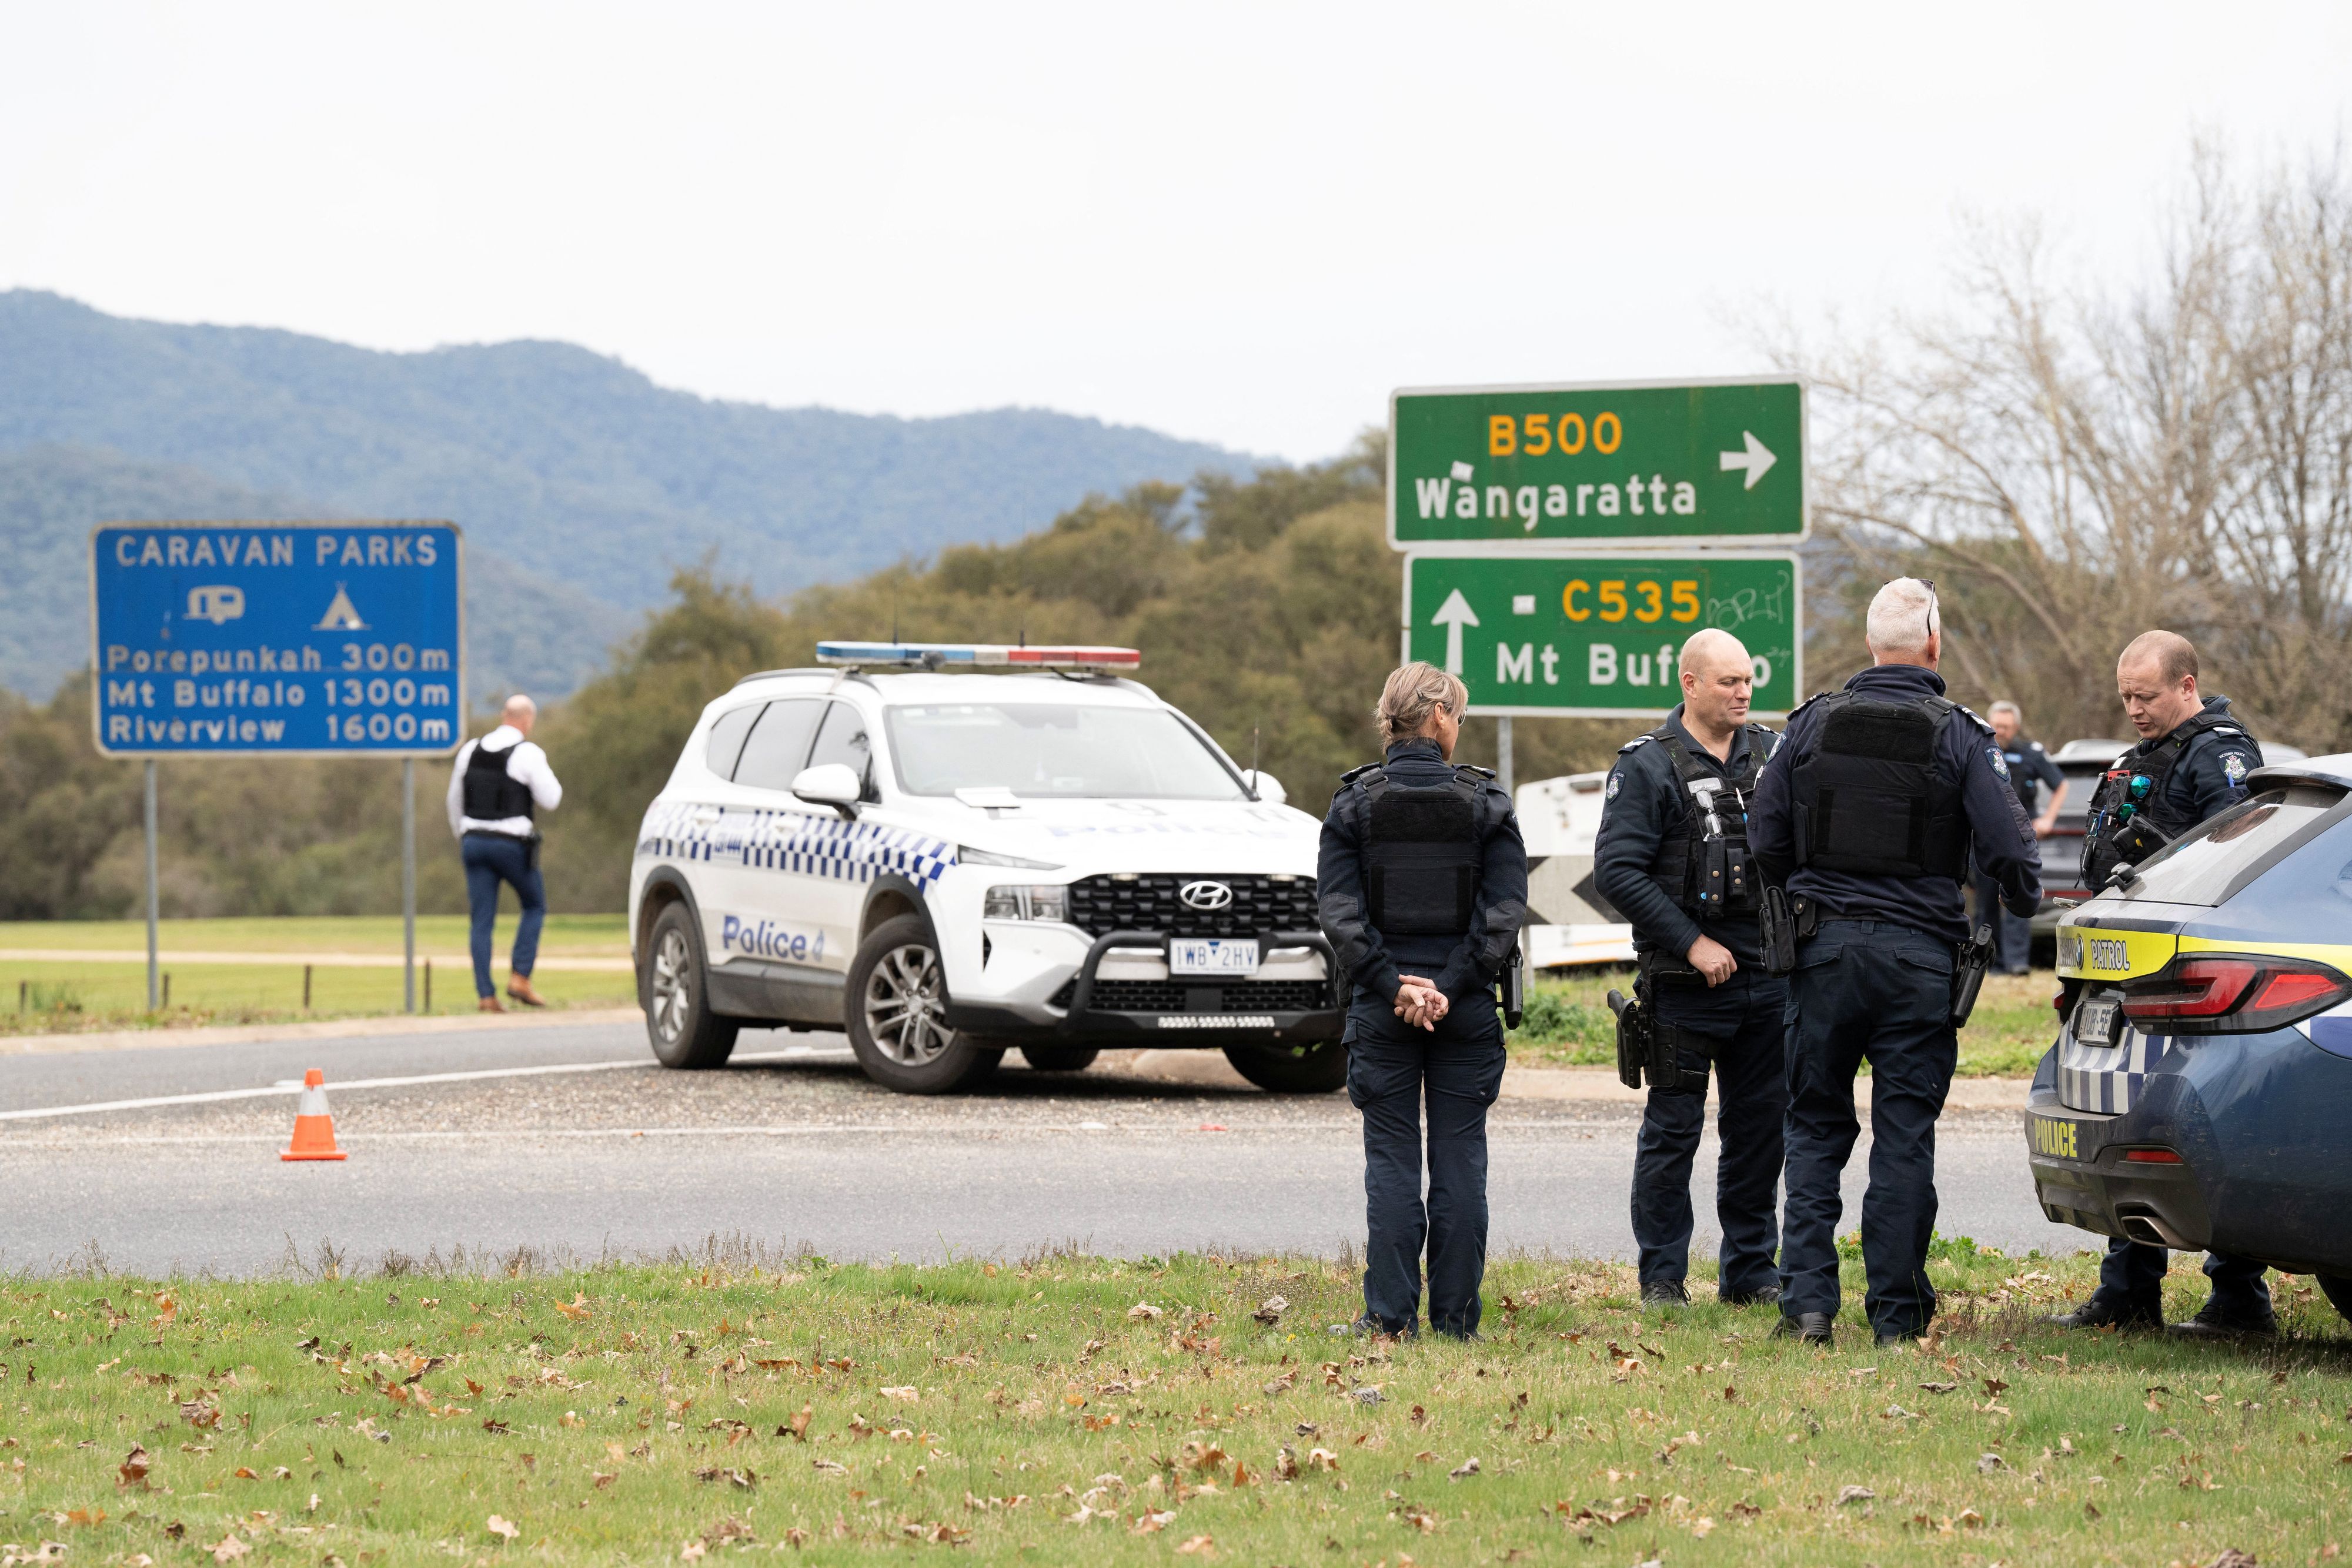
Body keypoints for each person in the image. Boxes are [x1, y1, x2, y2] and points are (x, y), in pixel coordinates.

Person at [1749, 579, 2042, 1346]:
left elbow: (1764, 836)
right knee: (1905, 1129)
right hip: (1918, 958)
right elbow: (2010, 848)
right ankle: (1896, 1319)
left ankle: (1808, 1308)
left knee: (1812, 1127)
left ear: (1871, 644)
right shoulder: (1960, 734)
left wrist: (1809, 886)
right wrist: (2023, 898)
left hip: (1823, 951)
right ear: (1934, 644)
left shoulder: (1809, 725)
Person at [2048, 630, 2273, 1339]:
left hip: (2196, 974)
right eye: (2125, 698)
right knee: (2130, 1128)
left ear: (2186, 685)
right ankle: (2128, 1293)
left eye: (2145, 697)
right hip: (2126, 969)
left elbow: (2237, 860)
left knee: (2211, 1130)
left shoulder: (2222, 754)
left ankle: (2240, 1299)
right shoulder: (2141, 757)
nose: (2134, 709)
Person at [1317, 662, 1528, 1339]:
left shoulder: (1353, 804)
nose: (1458, 729)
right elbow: (1502, 913)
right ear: (1437, 716)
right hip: (1463, 1009)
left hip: (1382, 1010)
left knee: (1393, 1162)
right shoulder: (1487, 803)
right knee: (1461, 1160)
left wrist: (1393, 984)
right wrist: (1453, 984)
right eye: (1459, 717)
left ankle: (1389, 1318)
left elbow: (1340, 915)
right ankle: (1457, 1321)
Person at [1594, 628, 1789, 1310]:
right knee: (1672, 1134)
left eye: (1747, 680)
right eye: (1728, 681)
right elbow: (1616, 871)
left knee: (1759, 1134)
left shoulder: (1774, 752)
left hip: (1768, 978)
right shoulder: (1646, 765)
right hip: (1684, 986)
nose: (1742, 692)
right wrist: (1689, 942)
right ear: (1690, 684)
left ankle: (1751, 1273)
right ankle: (1662, 1279)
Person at [447, 694, 564, 1013]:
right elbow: (551, 799)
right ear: (528, 720)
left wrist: (464, 835)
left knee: (481, 920)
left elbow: (454, 800)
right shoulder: (528, 753)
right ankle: (520, 978)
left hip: (473, 841)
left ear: (503, 716)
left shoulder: (469, 750)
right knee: (534, 905)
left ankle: (486, 996)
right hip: (512, 845)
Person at [1973, 701, 2067, 975]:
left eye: (2006, 726)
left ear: (2015, 727)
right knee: (1986, 904)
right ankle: (1990, 964)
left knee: (2019, 899)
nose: (2001, 731)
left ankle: (2017, 963)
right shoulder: (1977, 748)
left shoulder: (2030, 753)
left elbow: (2061, 784)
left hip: (2020, 840)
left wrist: (2048, 818)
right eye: (1997, 725)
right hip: (1983, 839)